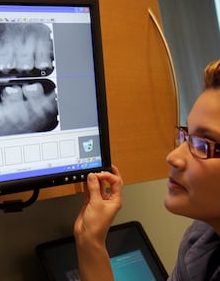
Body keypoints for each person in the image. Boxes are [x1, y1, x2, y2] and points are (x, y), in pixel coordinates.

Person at [74, 59, 220, 281]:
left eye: (202, 144)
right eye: (186, 136)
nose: (173, 157)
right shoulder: (202, 240)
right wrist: (90, 240)